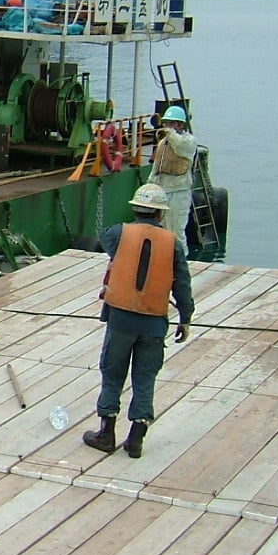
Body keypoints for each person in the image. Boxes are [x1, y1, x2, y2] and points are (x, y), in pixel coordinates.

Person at [82, 183, 194, 459]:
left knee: (112, 373)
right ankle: (136, 439)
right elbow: (183, 285)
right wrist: (185, 318)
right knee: (145, 378)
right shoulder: (173, 244)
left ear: (135, 208)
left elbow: (105, 238)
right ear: (160, 214)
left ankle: (106, 433)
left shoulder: (117, 234)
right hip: (153, 323)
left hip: (121, 319)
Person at [147, 104, 197, 250]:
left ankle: (181, 264)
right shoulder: (164, 142)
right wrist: (150, 185)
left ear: (180, 124)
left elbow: (179, 145)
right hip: (162, 190)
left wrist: (168, 132)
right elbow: (157, 166)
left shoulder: (189, 142)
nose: (167, 126)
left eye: (171, 123)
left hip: (179, 192)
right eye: (166, 123)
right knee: (161, 231)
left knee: (176, 232)